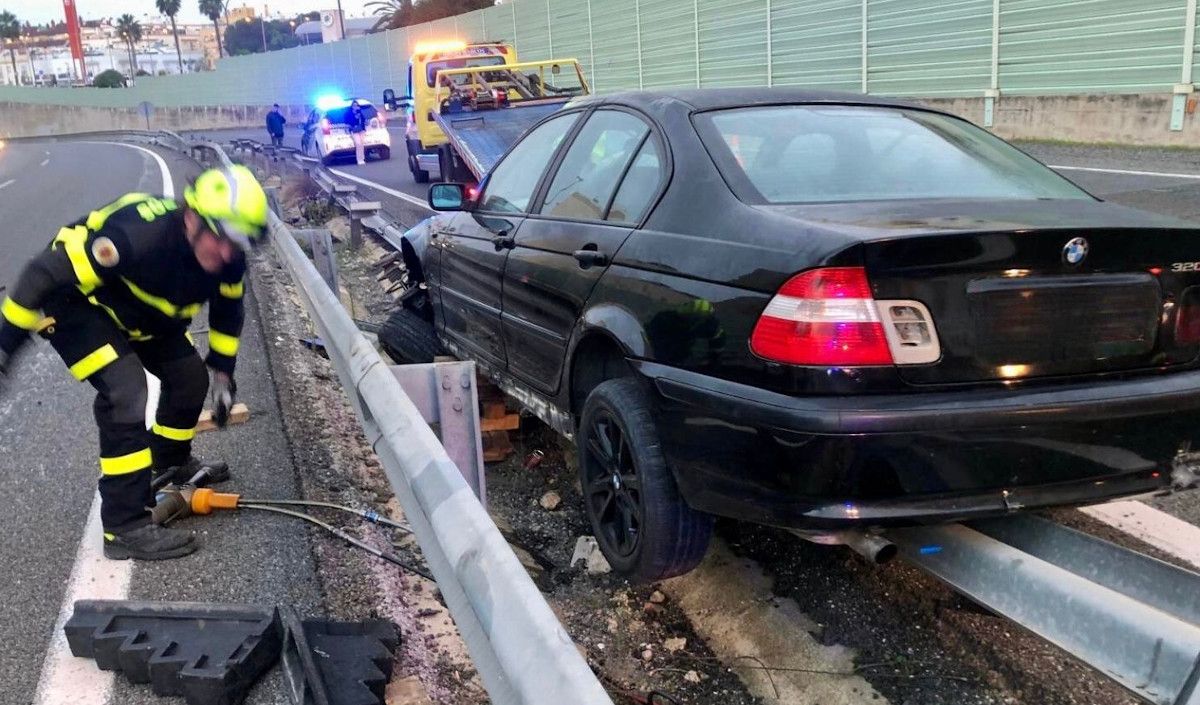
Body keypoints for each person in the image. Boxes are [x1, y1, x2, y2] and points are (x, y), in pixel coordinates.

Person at [0, 166, 269, 561]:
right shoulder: (137, 237)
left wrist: (223, 374)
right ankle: (124, 525)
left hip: (142, 316)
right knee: (126, 390)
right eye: (221, 238)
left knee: (190, 379)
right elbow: (43, 274)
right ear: (191, 218)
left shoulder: (229, 260)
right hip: (79, 304)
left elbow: (228, 311)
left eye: (239, 242)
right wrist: (5, 350)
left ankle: (170, 460)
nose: (228, 252)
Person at [348, 100, 366, 166]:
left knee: (362, 144)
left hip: (361, 130)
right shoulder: (349, 113)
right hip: (354, 130)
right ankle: (359, 159)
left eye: (357, 105)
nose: (355, 107)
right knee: (358, 143)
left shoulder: (360, 112)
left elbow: (364, 120)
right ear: (352, 106)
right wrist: (355, 116)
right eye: (354, 105)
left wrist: (359, 114)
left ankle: (362, 158)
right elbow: (348, 121)